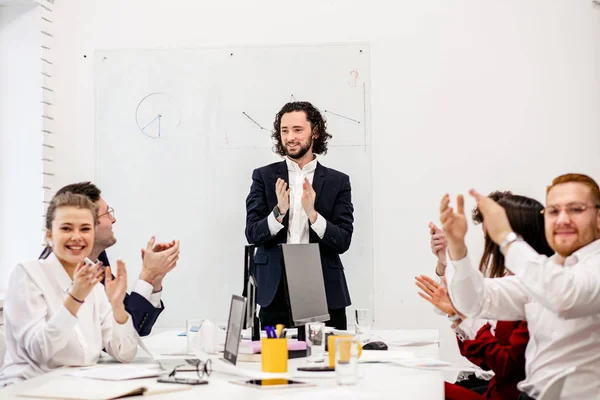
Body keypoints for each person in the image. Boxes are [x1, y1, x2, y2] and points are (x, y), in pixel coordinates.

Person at [443, 173, 600, 399]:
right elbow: (474, 302)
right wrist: (458, 249)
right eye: (554, 211)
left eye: (576, 209)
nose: (563, 219)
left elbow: (565, 296)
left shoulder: (576, 271)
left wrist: (507, 239)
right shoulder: (549, 270)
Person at [418, 193, 553, 400]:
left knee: (421, 386)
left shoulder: (535, 286)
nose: (490, 245)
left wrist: (461, 316)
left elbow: (506, 365)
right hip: (495, 388)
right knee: (420, 382)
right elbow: (483, 354)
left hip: (504, 394)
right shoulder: (515, 278)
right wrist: (456, 313)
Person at [0, 193, 138, 385]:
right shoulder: (27, 273)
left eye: (85, 229)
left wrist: (117, 308)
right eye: (66, 228)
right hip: (31, 387)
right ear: (50, 235)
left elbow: (125, 352)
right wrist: (75, 298)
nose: (77, 237)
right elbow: (40, 351)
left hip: (80, 386)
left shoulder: (93, 281)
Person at [245, 101, 354, 329]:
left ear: (314, 132)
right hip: (275, 290)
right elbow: (253, 234)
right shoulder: (263, 176)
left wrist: (313, 215)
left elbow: (343, 240)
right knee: (273, 361)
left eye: (297, 130)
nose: (290, 137)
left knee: (327, 360)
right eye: (284, 131)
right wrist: (279, 211)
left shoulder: (338, 181)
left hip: (323, 288)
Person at [40, 182, 180, 336]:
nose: (113, 219)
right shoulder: (59, 268)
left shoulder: (96, 260)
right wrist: (147, 275)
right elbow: (123, 332)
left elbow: (134, 327)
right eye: (107, 213)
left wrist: (155, 279)